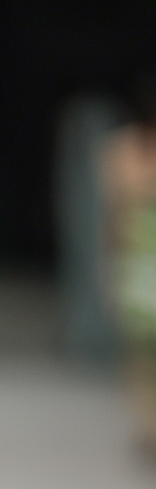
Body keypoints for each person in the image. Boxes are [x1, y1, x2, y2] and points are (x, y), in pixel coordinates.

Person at [102, 76, 156, 451]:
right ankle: (150, 424)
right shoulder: (121, 147)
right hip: (136, 254)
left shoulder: (119, 148)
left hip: (135, 251)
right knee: (140, 347)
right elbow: (116, 208)